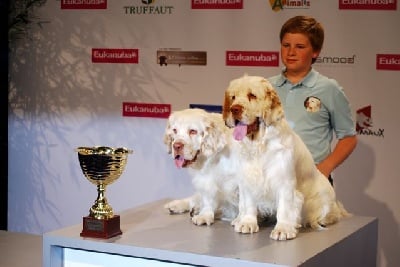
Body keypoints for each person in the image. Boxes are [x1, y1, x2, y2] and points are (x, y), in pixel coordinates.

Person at [268, 15, 357, 185]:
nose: (291, 52)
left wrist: (324, 168)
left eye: (300, 46)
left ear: (315, 51)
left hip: (312, 179)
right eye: (286, 45)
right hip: (272, 179)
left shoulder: (329, 88)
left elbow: (348, 138)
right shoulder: (265, 87)